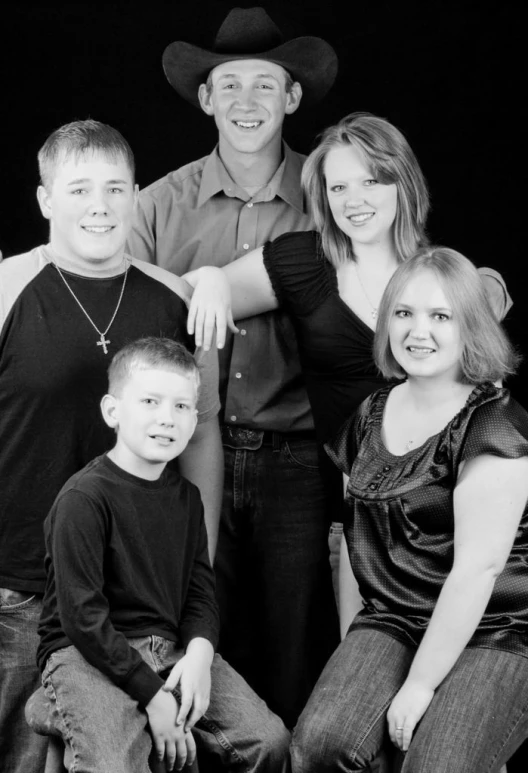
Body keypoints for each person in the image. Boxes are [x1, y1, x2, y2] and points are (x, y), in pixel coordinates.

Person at [184, 111, 512, 618]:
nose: (353, 201)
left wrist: (487, 287)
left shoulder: (442, 277)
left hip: (436, 520)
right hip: (345, 514)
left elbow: (487, 401)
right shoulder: (304, 260)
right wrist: (209, 277)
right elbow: (189, 297)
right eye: (338, 188)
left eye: (371, 182)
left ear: (402, 183)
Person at [127, 6, 340, 727]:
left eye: (265, 84)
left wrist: (488, 285)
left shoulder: (334, 198)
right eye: (230, 84)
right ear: (207, 98)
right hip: (186, 453)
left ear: (292, 98)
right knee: (183, 633)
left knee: (290, 649)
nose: (246, 101)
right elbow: (94, 285)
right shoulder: (156, 207)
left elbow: (407, 275)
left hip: (297, 458)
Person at [0, 119, 221, 773]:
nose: (99, 204)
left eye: (115, 188)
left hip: (135, 598)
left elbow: (202, 430)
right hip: (16, 585)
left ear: (135, 197)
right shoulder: (9, 290)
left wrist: (201, 556)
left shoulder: (177, 298)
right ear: (45, 200)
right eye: (79, 189)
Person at [289, 246, 528, 773]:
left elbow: (478, 570)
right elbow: (356, 543)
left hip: (497, 627)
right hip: (395, 618)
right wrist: (354, 647)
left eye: (440, 316)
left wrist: (420, 684)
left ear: (470, 326)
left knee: (436, 765)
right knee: (322, 744)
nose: (418, 331)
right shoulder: (370, 414)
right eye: (404, 313)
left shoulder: (493, 424)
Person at [36, 337, 290, 773]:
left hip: (169, 648)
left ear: (195, 420)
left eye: (181, 407)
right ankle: (52, 704)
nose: (166, 419)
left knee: (269, 741)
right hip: (86, 652)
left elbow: (200, 596)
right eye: (150, 401)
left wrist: (199, 657)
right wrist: (153, 697)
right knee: (114, 762)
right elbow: (82, 617)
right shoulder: (84, 498)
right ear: (113, 411)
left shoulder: (187, 499)